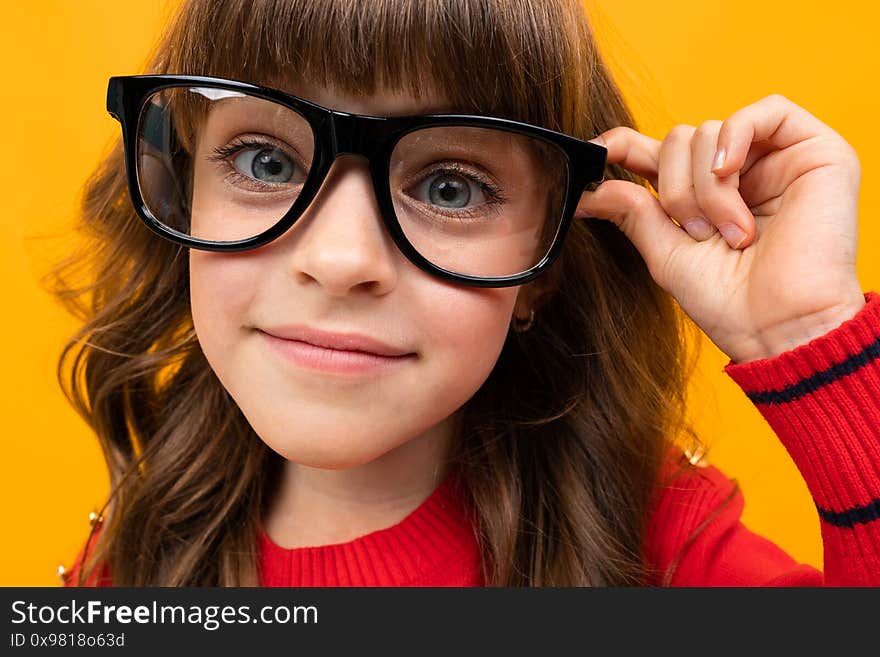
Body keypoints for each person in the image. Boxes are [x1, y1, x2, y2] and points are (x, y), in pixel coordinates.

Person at [53, 0, 879, 587]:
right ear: (185, 189)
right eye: (267, 162)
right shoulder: (128, 567)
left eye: (450, 187)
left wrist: (807, 332)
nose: (341, 260)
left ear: (545, 260)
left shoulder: (662, 554)